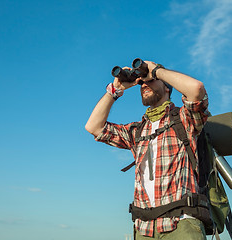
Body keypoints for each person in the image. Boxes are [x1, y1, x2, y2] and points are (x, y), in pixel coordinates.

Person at [85, 60, 209, 240]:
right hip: (144, 229)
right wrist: (115, 90)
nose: (144, 84)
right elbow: (93, 127)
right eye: (141, 82)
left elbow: (197, 90)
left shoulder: (184, 119)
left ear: (167, 88)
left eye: (150, 80)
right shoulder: (137, 131)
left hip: (180, 223)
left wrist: (156, 71)